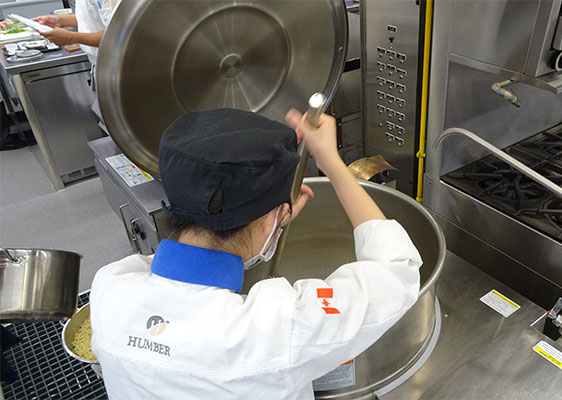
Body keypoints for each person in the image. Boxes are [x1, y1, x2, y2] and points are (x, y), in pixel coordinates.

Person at [89, 108, 422, 400]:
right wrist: (331, 163)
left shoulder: (110, 286)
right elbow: (397, 269)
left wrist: (268, 220)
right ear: (271, 218)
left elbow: (184, 272)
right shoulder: (278, 327)